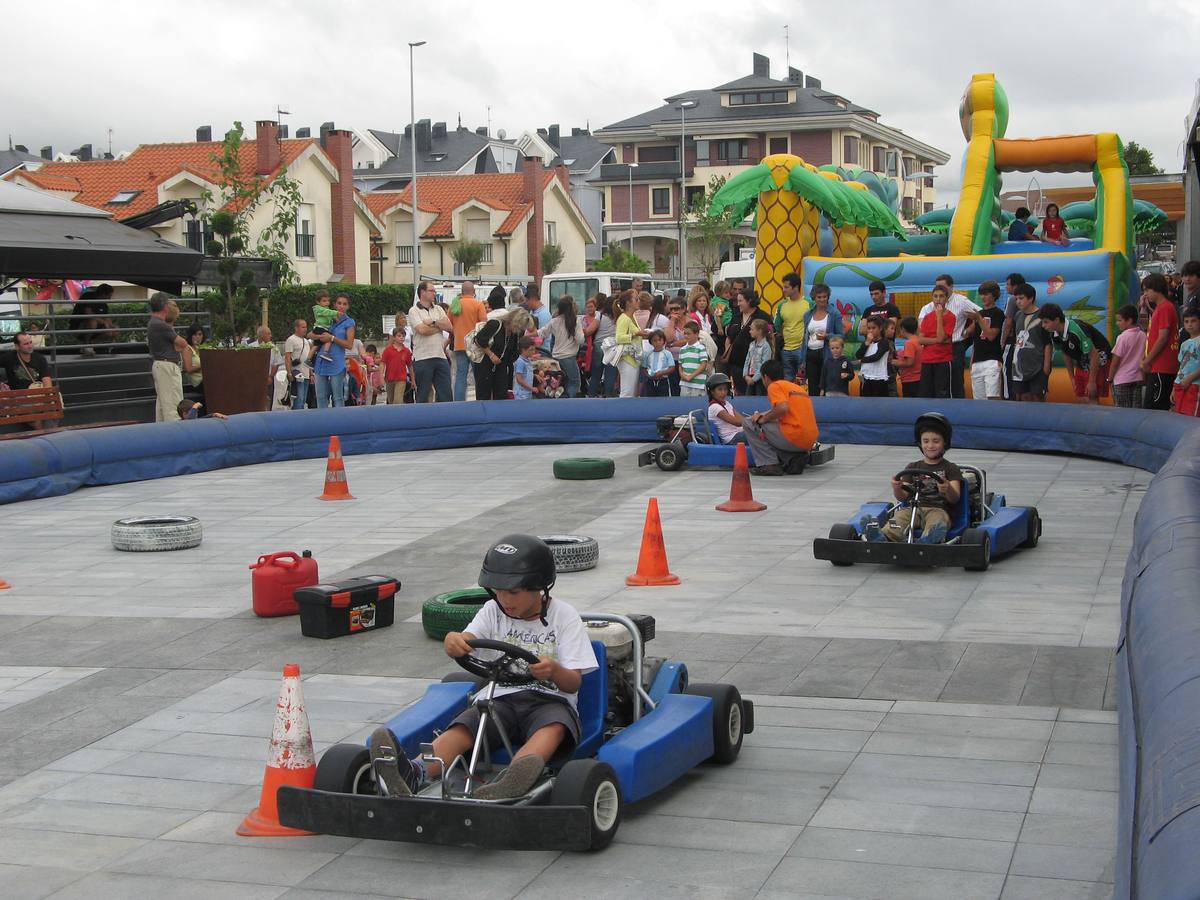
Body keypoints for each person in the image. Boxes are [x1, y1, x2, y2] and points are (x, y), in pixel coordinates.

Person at [369, 534, 597, 801]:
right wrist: (454, 641)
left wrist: (555, 671)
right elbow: (468, 639)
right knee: (466, 725)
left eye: (513, 592)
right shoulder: (492, 611)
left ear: (539, 586)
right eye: (498, 591)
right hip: (499, 697)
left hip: (550, 700)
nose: (505, 599)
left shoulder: (564, 617)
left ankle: (513, 779)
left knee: (553, 727)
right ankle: (415, 772)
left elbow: (573, 683)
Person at [862, 412, 962, 545]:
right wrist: (897, 488)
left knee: (937, 521)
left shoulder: (950, 468)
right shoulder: (912, 467)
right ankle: (884, 537)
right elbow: (902, 497)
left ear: (945, 443)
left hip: (939, 509)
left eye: (936, 441)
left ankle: (929, 540)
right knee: (899, 518)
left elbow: (955, 498)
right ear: (920, 443)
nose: (930, 446)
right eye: (926, 441)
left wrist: (947, 488)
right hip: (913, 508)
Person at [742, 359, 820, 476]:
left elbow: (783, 408)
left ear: (766, 377)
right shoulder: (795, 387)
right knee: (767, 427)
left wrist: (763, 418)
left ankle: (769, 464)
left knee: (749, 423)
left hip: (794, 436)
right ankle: (792, 458)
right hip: (809, 440)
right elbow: (786, 411)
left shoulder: (774, 386)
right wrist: (764, 414)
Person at [917, 274, 977, 398]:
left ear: (950, 287)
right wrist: (936, 340)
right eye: (936, 292)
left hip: (954, 347)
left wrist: (969, 329)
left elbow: (980, 313)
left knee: (954, 382)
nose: (939, 297)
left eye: (942, 289)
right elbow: (921, 336)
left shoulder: (961, 302)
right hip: (930, 353)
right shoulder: (927, 309)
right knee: (927, 388)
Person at [1039, 303, 1112, 404]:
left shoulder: (1076, 329)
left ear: (1056, 320)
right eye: (1042, 322)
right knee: (1080, 395)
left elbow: (1094, 355)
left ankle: (1093, 416)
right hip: (1083, 359)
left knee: (1091, 394)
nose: (1043, 326)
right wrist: (1072, 378)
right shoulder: (1054, 333)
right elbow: (1066, 353)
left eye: (1046, 322)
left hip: (1098, 357)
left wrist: (1092, 382)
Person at [146, 293, 195, 422]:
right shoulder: (161, 325)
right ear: (165, 307)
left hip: (161, 365)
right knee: (173, 405)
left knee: (163, 404)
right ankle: (175, 433)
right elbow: (183, 343)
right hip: (167, 366)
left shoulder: (154, 323)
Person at [1140, 273, 1180, 410]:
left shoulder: (1164, 308)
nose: (1145, 294)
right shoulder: (1161, 308)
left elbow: (1162, 338)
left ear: (1156, 288)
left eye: (1147, 290)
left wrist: (1147, 361)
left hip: (1161, 367)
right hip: (1159, 367)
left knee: (1153, 408)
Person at [410, 281, 453, 403]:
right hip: (422, 358)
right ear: (422, 292)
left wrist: (433, 322)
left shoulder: (438, 309)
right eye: (432, 290)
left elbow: (449, 327)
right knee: (423, 395)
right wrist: (440, 326)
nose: (435, 293)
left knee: (446, 394)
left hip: (440, 355)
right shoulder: (414, 311)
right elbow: (422, 330)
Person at [313, 293, 356, 409]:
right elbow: (310, 334)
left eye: (344, 304)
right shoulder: (327, 317)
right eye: (339, 303)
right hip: (321, 360)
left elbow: (349, 344)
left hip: (336, 362)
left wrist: (332, 338)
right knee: (320, 396)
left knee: (338, 397)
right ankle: (323, 424)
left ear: (348, 306)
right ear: (334, 304)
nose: (341, 306)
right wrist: (318, 337)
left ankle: (339, 424)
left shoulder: (349, 322)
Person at [964, 280, 1005, 400]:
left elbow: (991, 335)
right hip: (977, 361)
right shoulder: (979, 314)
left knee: (993, 397)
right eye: (981, 294)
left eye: (986, 294)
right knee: (979, 400)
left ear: (994, 295)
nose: (983, 297)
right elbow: (971, 336)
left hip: (992, 360)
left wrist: (979, 319)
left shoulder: (998, 313)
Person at [1010, 284, 1051, 402]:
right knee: (1023, 397)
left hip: (1037, 366)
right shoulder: (1017, 315)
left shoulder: (1042, 316)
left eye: (1021, 298)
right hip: (1019, 366)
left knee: (1037, 397)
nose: (1018, 301)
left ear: (1031, 298)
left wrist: (1046, 367)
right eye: (1016, 298)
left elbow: (1048, 343)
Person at [449, 281, 488, 402]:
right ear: (474, 292)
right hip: (475, 346)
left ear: (462, 291)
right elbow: (483, 324)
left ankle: (459, 402)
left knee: (461, 374)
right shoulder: (478, 304)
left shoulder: (454, 306)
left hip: (459, 344)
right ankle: (480, 399)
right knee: (478, 374)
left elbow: (448, 323)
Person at [539, 297, 585, 398]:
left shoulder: (554, 321)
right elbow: (580, 340)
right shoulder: (575, 321)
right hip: (569, 357)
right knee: (574, 381)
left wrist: (530, 334)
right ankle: (570, 402)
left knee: (560, 382)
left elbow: (542, 332)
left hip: (556, 356)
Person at [801, 284, 841, 397]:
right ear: (814, 297)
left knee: (827, 387)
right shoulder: (808, 314)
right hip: (810, 353)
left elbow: (841, 336)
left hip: (826, 354)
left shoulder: (834, 313)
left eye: (825, 296)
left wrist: (827, 336)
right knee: (813, 388)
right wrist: (802, 358)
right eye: (819, 297)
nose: (822, 299)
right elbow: (805, 337)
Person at [917, 284, 955, 399]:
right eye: (935, 296)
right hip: (927, 360)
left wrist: (939, 317)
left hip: (942, 360)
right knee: (926, 393)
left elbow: (942, 336)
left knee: (942, 393)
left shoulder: (951, 317)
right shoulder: (927, 317)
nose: (938, 299)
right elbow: (921, 339)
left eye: (941, 296)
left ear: (946, 298)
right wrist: (937, 340)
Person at [773, 273, 811, 383]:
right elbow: (777, 326)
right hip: (786, 350)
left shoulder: (809, 303)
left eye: (786, 287)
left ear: (795, 288)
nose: (783, 289)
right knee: (787, 382)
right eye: (783, 286)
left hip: (802, 350)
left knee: (803, 382)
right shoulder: (781, 305)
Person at [1107, 304, 1145, 408]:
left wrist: (1109, 379)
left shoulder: (1122, 337)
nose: (1117, 323)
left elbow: (1115, 361)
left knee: (1121, 412)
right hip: (1137, 378)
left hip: (1122, 380)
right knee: (1136, 410)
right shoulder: (1142, 335)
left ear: (1129, 320)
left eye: (1120, 320)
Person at [614, 291, 646, 398]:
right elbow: (618, 338)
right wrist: (635, 334)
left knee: (631, 391)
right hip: (627, 359)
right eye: (636, 299)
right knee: (627, 392)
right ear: (628, 303)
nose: (638, 301)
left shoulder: (631, 317)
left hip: (632, 359)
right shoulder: (624, 318)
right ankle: (622, 413)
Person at [588, 294, 618, 398]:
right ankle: (608, 394)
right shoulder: (618, 316)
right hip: (613, 345)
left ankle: (591, 394)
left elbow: (590, 330)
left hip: (599, 345)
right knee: (610, 372)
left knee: (596, 373)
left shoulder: (600, 315)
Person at [706, 372, 746, 444]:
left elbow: (741, 419)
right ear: (712, 391)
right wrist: (753, 421)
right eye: (720, 389)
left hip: (739, 433)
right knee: (756, 434)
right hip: (731, 439)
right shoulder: (714, 407)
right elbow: (737, 422)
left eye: (725, 389)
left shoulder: (727, 403)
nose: (723, 392)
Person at [1173, 308, 1200, 416]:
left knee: (1192, 417)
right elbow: (1181, 366)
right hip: (1180, 384)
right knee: (1180, 416)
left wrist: (1190, 378)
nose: (1190, 324)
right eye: (1186, 321)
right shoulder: (1184, 344)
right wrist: (1173, 388)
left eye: (1193, 321)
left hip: (1195, 385)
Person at [855, 318, 890, 397]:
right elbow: (858, 355)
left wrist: (862, 360)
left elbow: (877, 356)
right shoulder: (867, 342)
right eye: (869, 328)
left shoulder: (884, 342)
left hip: (878, 378)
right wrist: (867, 343)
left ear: (880, 328)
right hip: (866, 377)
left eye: (873, 328)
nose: (870, 331)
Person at [283, 320, 311, 410]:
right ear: (296, 328)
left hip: (306, 374)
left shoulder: (306, 341)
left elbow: (308, 358)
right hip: (297, 374)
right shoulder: (291, 340)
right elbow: (287, 357)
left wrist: (311, 374)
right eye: (303, 327)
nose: (305, 329)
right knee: (299, 399)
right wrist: (289, 373)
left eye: (306, 327)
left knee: (303, 400)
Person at [380, 327, 412, 405]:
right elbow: (382, 363)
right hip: (389, 379)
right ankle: (393, 416)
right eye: (399, 336)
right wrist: (381, 377)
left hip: (401, 379)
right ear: (394, 338)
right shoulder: (388, 350)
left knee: (398, 401)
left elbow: (410, 366)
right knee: (391, 401)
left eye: (403, 336)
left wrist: (413, 380)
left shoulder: (407, 351)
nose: (401, 338)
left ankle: (399, 415)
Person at [678, 320, 710, 397]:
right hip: (684, 383)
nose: (686, 336)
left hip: (698, 384)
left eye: (688, 334)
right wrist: (683, 375)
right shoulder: (682, 349)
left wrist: (691, 376)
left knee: (697, 406)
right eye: (684, 333)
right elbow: (680, 366)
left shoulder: (701, 348)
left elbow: (703, 365)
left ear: (696, 334)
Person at [742, 319, 773, 395]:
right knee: (748, 398)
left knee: (759, 398)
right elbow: (747, 360)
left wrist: (754, 379)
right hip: (750, 377)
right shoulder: (752, 344)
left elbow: (764, 365)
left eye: (752, 329)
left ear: (760, 331)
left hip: (760, 379)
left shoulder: (766, 347)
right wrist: (745, 375)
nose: (750, 331)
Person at [641, 330, 675, 397]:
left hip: (663, 380)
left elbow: (672, 367)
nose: (658, 342)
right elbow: (644, 367)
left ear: (664, 341)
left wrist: (661, 373)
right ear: (651, 342)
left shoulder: (667, 353)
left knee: (664, 399)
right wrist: (648, 375)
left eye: (660, 340)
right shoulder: (648, 354)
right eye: (655, 341)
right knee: (650, 399)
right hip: (650, 381)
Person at [895, 316, 923, 397]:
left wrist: (896, 363)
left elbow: (909, 362)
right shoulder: (919, 340)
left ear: (903, 329)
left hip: (910, 379)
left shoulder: (909, 343)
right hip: (919, 378)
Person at [256, 325, 282, 409]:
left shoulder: (274, 348)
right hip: (255, 378)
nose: (270, 336)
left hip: (268, 379)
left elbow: (276, 363)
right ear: (261, 335)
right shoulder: (252, 346)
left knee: (268, 399)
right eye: (268, 334)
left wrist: (270, 376)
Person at [310, 289, 336, 364]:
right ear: (318, 302)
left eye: (328, 301)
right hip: (321, 328)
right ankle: (325, 352)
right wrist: (336, 313)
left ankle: (308, 359)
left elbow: (329, 317)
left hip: (319, 328)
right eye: (324, 301)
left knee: (316, 345)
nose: (327, 303)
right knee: (329, 339)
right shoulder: (319, 308)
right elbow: (327, 313)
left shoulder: (325, 309)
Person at [182, 324, 206, 401]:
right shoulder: (188, 349)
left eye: (200, 334)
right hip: (198, 383)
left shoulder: (201, 348)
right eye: (195, 334)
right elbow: (188, 369)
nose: (198, 337)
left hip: (206, 379)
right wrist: (205, 365)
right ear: (190, 335)